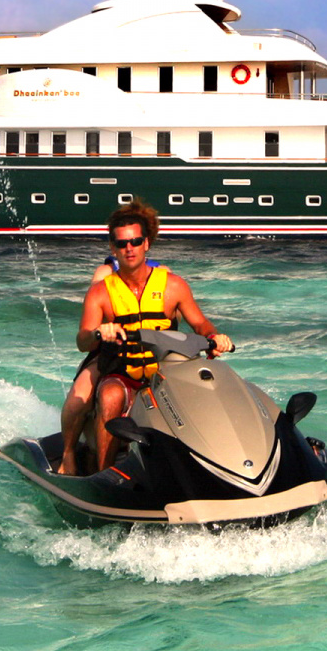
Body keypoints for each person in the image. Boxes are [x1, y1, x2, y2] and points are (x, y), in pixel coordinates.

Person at [58, 199, 231, 476]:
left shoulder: (173, 286)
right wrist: (98, 332)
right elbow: (82, 342)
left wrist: (214, 336)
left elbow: (198, 322)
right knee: (107, 395)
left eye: (136, 241)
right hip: (122, 369)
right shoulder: (100, 291)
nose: (130, 248)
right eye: (122, 243)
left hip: (165, 370)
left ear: (146, 244)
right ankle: (100, 473)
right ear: (113, 247)